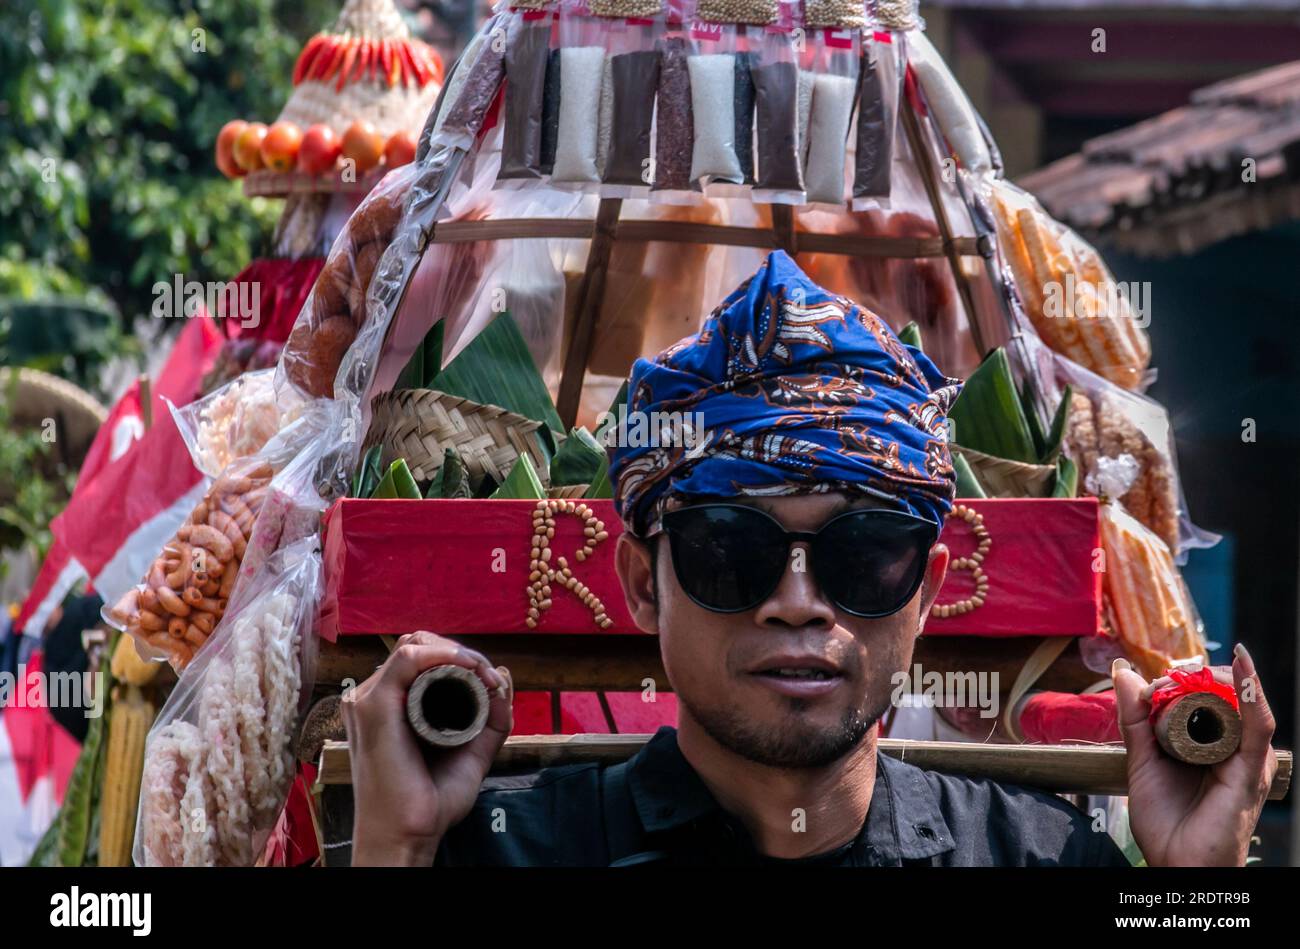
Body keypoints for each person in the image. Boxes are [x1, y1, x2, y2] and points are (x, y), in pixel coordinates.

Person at [343, 251, 1277, 866]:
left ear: (929, 591)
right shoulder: (513, 851)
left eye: (864, 554)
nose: (797, 603)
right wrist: (394, 851)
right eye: (729, 550)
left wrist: (1199, 889)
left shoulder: (1039, 857)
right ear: (640, 585)